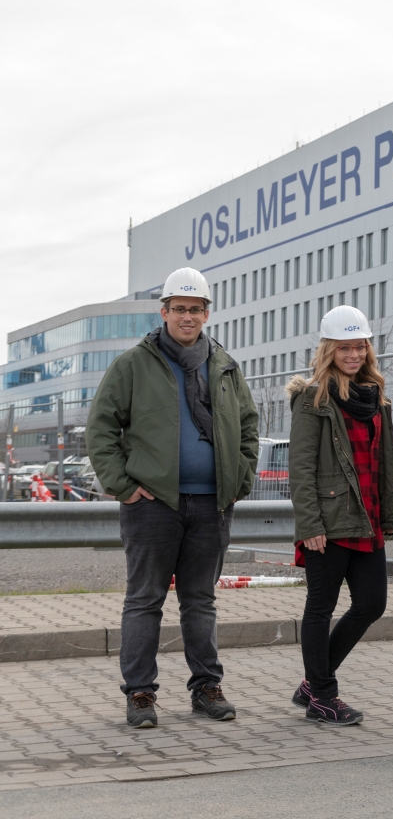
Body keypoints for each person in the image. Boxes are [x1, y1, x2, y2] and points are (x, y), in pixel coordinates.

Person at [85, 267, 258, 729]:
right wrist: (124, 486)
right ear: (164, 312)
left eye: (195, 309)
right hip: (152, 505)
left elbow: (247, 425)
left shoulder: (224, 365)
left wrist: (239, 478)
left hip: (211, 504)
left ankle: (206, 688)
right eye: (179, 308)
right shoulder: (133, 364)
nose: (187, 317)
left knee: (200, 601)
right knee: (145, 599)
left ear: (207, 314)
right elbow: (101, 428)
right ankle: (140, 693)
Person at [285, 306, 393, 726]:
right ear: (329, 350)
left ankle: (313, 682)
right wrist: (310, 525)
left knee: (371, 604)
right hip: (329, 523)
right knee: (320, 608)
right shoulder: (313, 399)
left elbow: (383, 462)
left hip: (367, 519)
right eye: (345, 347)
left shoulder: (376, 398)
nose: (353, 354)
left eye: (360, 346)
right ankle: (323, 696)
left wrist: (387, 514)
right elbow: (301, 468)